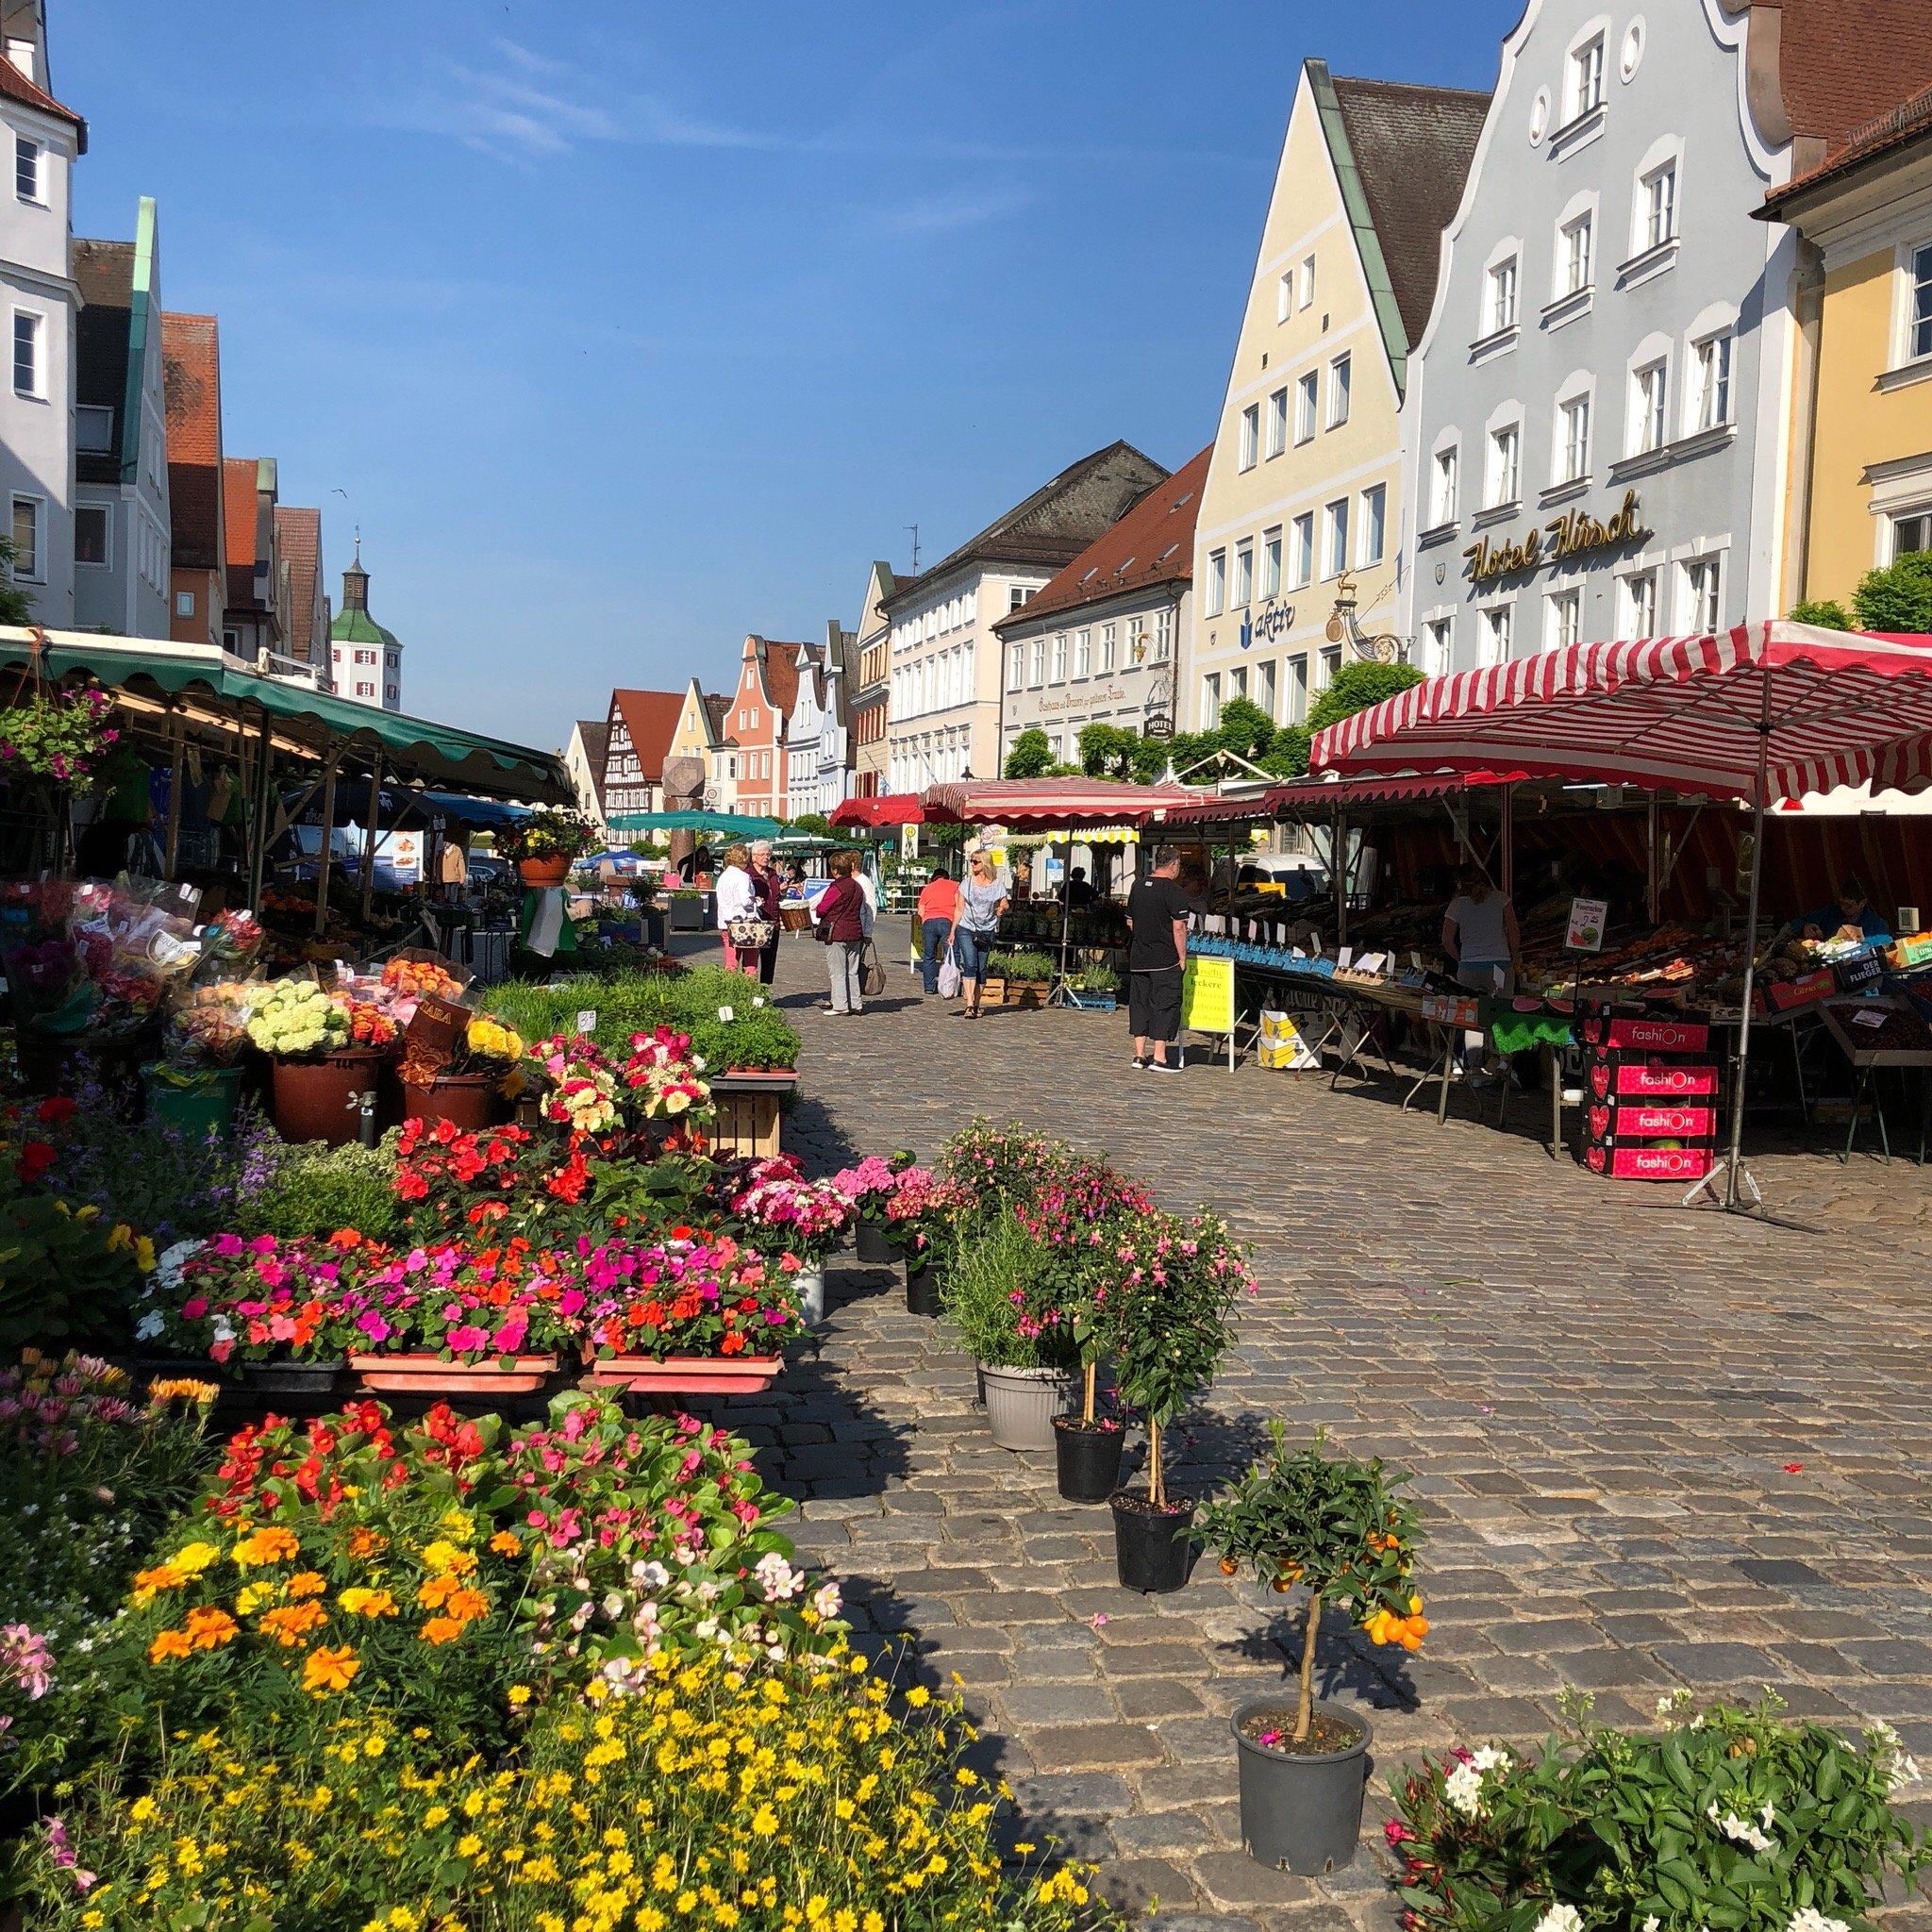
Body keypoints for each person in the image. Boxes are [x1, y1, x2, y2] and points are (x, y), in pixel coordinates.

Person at [1441, 868, 1522, 1083]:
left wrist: (1461, 959)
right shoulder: (1502, 899)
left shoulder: (1457, 905)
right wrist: (1515, 959)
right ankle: (1504, 1061)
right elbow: (1514, 933)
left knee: (1472, 1018)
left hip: (1469, 967)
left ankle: (1475, 1068)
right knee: (1504, 1014)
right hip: (1500, 966)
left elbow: (1447, 940)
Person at [1125, 844, 1192, 1072]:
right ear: (1174, 865)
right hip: (1165, 959)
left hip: (1139, 957)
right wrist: (1182, 957)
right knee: (1165, 1004)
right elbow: (1179, 927)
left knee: (1140, 1003)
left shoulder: (1138, 886)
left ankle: (1139, 1054)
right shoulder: (1173, 891)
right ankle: (1160, 1056)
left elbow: (1130, 921)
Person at [953, 848, 1009, 1019]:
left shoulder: (997, 884)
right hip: (966, 927)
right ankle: (969, 1004)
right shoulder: (966, 883)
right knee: (970, 964)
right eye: (971, 861)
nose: (972, 864)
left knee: (981, 968)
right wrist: (952, 930)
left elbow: (1005, 903)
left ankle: (977, 1004)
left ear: (984, 863)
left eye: (975, 861)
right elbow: (959, 908)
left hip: (986, 929)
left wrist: (1001, 909)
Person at [815, 849, 869, 1015]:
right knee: (852, 970)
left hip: (837, 932)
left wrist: (818, 911)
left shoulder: (837, 887)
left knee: (837, 971)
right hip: (855, 931)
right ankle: (856, 1003)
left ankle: (840, 1006)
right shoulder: (858, 886)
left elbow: (822, 908)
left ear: (835, 870)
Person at [1800, 875, 1891, 942]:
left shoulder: (1876, 925)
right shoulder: (1830, 912)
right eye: (1841, 903)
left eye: (1848, 905)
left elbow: (1885, 945)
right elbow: (1797, 922)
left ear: (1862, 903)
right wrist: (1805, 927)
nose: (1843, 908)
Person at [715, 842, 758, 974]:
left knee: (731, 963)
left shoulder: (723, 877)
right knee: (750, 964)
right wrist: (756, 900)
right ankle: (748, 991)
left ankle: (730, 991)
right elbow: (745, 901)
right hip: (744, 924)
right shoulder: (743, 877)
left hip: (726, 923)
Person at [916, 866, 959, 995]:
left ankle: (929, 987)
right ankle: (951, 986)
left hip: (929, 922)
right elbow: (959, 905)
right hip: (947, 921)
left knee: (929, 956)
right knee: (951, 953)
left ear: (933, 878)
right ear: (947, 877)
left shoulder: (927, 889)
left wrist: (925, 919)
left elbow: (921, 911)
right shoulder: (955, 885)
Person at [747, 840, 783, 985]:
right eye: (762, 854)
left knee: (769, 960)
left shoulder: (773, 873)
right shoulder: (748, 874)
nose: (766, 857)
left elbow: (776, 895)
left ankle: (765, 993)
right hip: (756, 922)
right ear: (754, 856)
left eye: (768, 854)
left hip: (773, 922)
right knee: (752, 959)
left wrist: (782, 890)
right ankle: (750, 992)